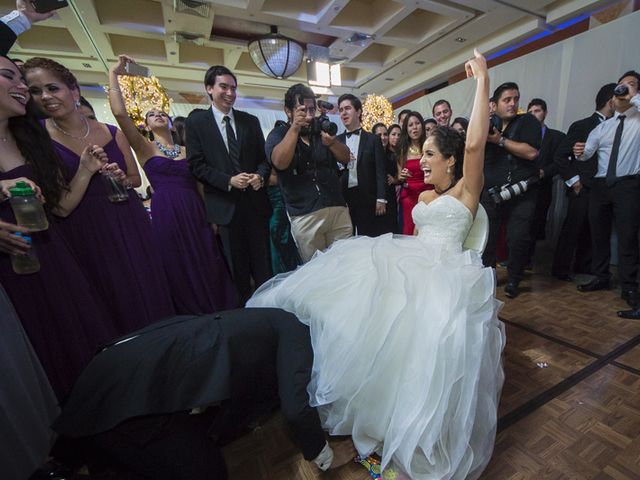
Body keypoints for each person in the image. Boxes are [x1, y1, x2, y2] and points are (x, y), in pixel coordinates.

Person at [248, 49, 505, 480]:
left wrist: (482, 81)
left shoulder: (466, 192)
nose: (419, 161)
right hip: (414, 261)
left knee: (422, 337)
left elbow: (476, 142)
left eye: (428, 154)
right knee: (363, 307)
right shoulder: (424, 196)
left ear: (451, 161)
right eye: (421, 154)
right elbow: (417, 238)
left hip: (446, 272)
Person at [51, 308, 356, 479]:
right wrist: (324, 455)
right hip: (137, 404)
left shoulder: (261, 317)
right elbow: (295, 407)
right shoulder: (296, 331)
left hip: (105, 373)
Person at [24, 56, 176, 332]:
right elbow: (59, 206)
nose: (45, 97)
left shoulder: (111, 132)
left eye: (52, 88)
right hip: (85, 228)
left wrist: (120, 178)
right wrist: (85, 171)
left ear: (74, 91)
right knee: (108, 297)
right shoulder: (38, 140)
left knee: (145, 285)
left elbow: (134, 179)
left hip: (128, 220)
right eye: (36, 91)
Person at [0, 55, 118, 399]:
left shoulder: (30, 138)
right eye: (11, 77)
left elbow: (62, 207)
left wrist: (85, 169)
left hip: (54, 254)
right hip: (12, 269)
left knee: (80, 342)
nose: (23, 88)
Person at [108, 55, 237, 314]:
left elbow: (200, 184)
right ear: (145, 124)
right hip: (166, 211)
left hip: (195, 209)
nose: (158, 115)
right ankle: (188, 313)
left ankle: (220, 309)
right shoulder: (144, 148)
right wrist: (115, 75)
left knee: (207, 258)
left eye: (162, 112)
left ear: (170, 120)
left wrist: (210, 216)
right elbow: (120, 114)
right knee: (176, 261)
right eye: (152, 114)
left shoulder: (188, 150)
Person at [186, 65, 272, 304]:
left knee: (263, 266)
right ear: (209, 89)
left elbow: (263, 161)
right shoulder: (197, 123)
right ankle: (244, 317)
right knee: (238, 271)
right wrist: (228, 181)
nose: (230, 93)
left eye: (233, 88)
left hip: (255, 205)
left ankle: (270, 311)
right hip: (225, 208)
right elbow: (196, 164)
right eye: (224, 87)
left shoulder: (250, 121)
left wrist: (259, 176)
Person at [573, 71, 640, 316]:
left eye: (631, 85)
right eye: (621, 86)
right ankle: (601, 276)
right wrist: (579, 151)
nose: (624, 89)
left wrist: (634, 97)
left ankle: (630, 287)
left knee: (628, 237)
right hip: (601, 186)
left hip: (628, 184)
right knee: (598, 234)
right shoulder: (603, 128)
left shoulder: (639, 119)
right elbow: (587, 153)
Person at [266, 83, 352, 263]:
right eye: (303, 110)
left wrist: (332, 143)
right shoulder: (279, 134)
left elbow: (346, 158)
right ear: (288, 111)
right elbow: (280, 163)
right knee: (317, 274)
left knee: (346, 266)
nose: (309, 115)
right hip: (305, 216)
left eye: (312, 110)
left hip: (337, 208)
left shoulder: (321, 131)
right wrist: (295, 129)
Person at [481, 81, 542, 298]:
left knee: (518, 237)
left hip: (522, 192)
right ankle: (487, 277)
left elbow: (531, 153)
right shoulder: (488, 123)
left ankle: (514, 279)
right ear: (493, 105)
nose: (513, 103)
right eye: (507, 100)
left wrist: (500, 140)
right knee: (487, 237)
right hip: (491, 192)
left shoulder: (528, 122)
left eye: (516, 99)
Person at [552, 83, 616, 280]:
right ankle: (560, 270)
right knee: (572, 229)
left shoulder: (618, 127)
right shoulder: (582, 126)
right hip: (583, 187)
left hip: (604, 188)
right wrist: (575, 181)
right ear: (610, 101)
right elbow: (560, 156)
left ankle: (584, 265)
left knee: (592, 230)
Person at [337, 94, 388, 236]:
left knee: (369, 239)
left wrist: (381, 198)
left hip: (368, 197)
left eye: (347, 108)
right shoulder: (336, 141)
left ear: (358, 112)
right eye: (341, 110)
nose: (343, 113)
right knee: (347, 241)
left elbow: (380, 170)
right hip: (345, 199)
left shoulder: (373, 140)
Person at [526, 98, 565, 265]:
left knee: (537, 223)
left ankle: (529, 260)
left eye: (537, 111)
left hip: (543, 186)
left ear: (545, 113)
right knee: (522, 224)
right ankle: (520, 258)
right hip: (523, 187)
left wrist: (544, 172)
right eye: (531, 112)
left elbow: (560, 162)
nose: (534, 115)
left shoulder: (556, 137)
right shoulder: (522, 137)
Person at [398, 111, 433, 234]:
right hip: (409, 196)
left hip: (429, 194)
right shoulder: (402, 149)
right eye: (410, 125)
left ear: (422, 126)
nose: (414, 127)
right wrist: (401, 176)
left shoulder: (431, 146)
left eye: (417, 123)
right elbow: (399, 175)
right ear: (406, 129)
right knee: (409, 230)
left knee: (428, 230)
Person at [372, 122, 399, 233]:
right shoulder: (369, 155)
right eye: (379, 135)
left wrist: (394, 180)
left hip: (391, 198)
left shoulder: (393, 155)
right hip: (375, 199)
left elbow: (400, 177)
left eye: (385, 134)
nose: (383, 138)